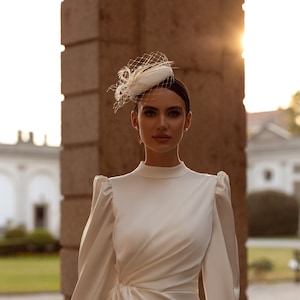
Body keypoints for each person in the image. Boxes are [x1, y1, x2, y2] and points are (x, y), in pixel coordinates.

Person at [71, 51, 240, 300]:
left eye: (173, 113)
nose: (162, 124)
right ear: (134, 120)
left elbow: (223, 284)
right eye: (150, 113)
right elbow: (91, 283)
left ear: (187, 120)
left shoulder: (211, 191)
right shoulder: (111, 192)